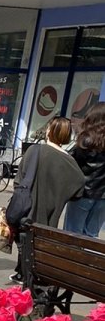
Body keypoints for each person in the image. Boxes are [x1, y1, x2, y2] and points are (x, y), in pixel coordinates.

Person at [7, 120, 85, 298]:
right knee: (40, 257)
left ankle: (27, 293)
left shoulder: (35, 151)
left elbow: (19, 181)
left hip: (25, 217)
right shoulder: (70, 162)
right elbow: (79, 188)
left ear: (50, 130)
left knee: (26, 254)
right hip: (49, 225)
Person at [64, 102, 105, 238]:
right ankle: (85, 259)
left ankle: (69, 258)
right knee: (92, 236)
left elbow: (69, 163)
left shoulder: (85, 140)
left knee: (72, 233)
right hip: (103, 197)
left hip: (82, 193)